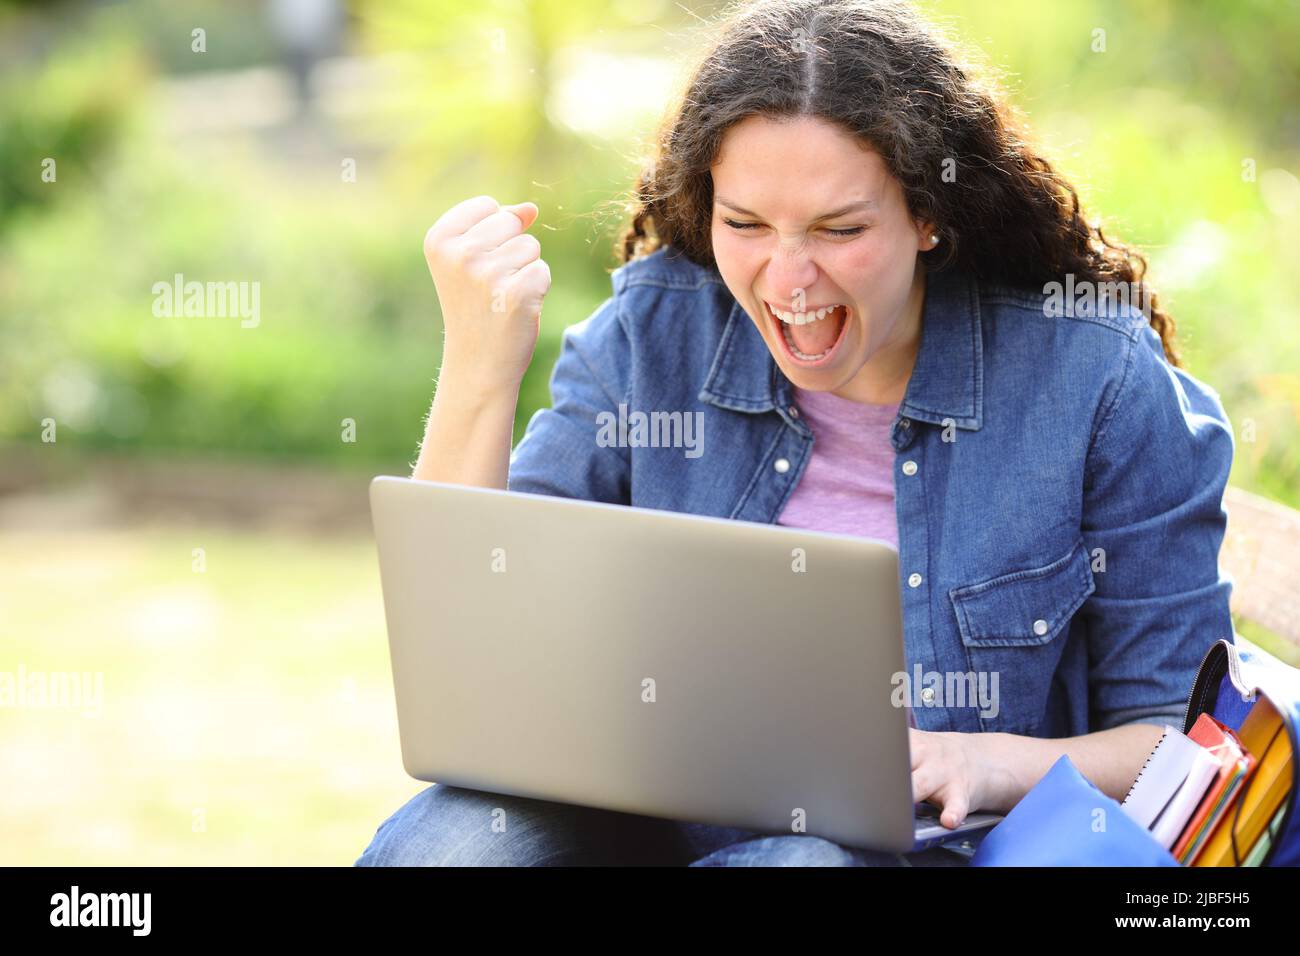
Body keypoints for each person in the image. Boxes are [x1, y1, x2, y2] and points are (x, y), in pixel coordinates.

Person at [355, 0, 1235, 866]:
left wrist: (990, 760)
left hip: (898, 852)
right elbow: (474, 636)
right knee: (450, 844)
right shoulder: (655, 332)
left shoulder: (1091, 380)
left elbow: (1187, 746)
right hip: (640, 827)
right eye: (744, 224)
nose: (788, 279)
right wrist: (481, 363)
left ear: (929, 215)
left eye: (839, 229)